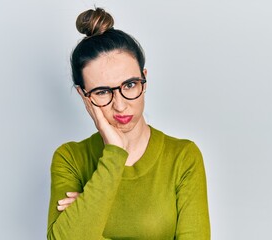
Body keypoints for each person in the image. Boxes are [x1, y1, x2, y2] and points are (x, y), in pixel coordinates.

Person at [47, 7, 210, 240]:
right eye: (102, 91)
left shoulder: (183, 157)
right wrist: (114, 153)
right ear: (84, 95)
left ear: (144, 80)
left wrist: (87, 215)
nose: (120, 105)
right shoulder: (70, 158)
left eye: (130, 85)